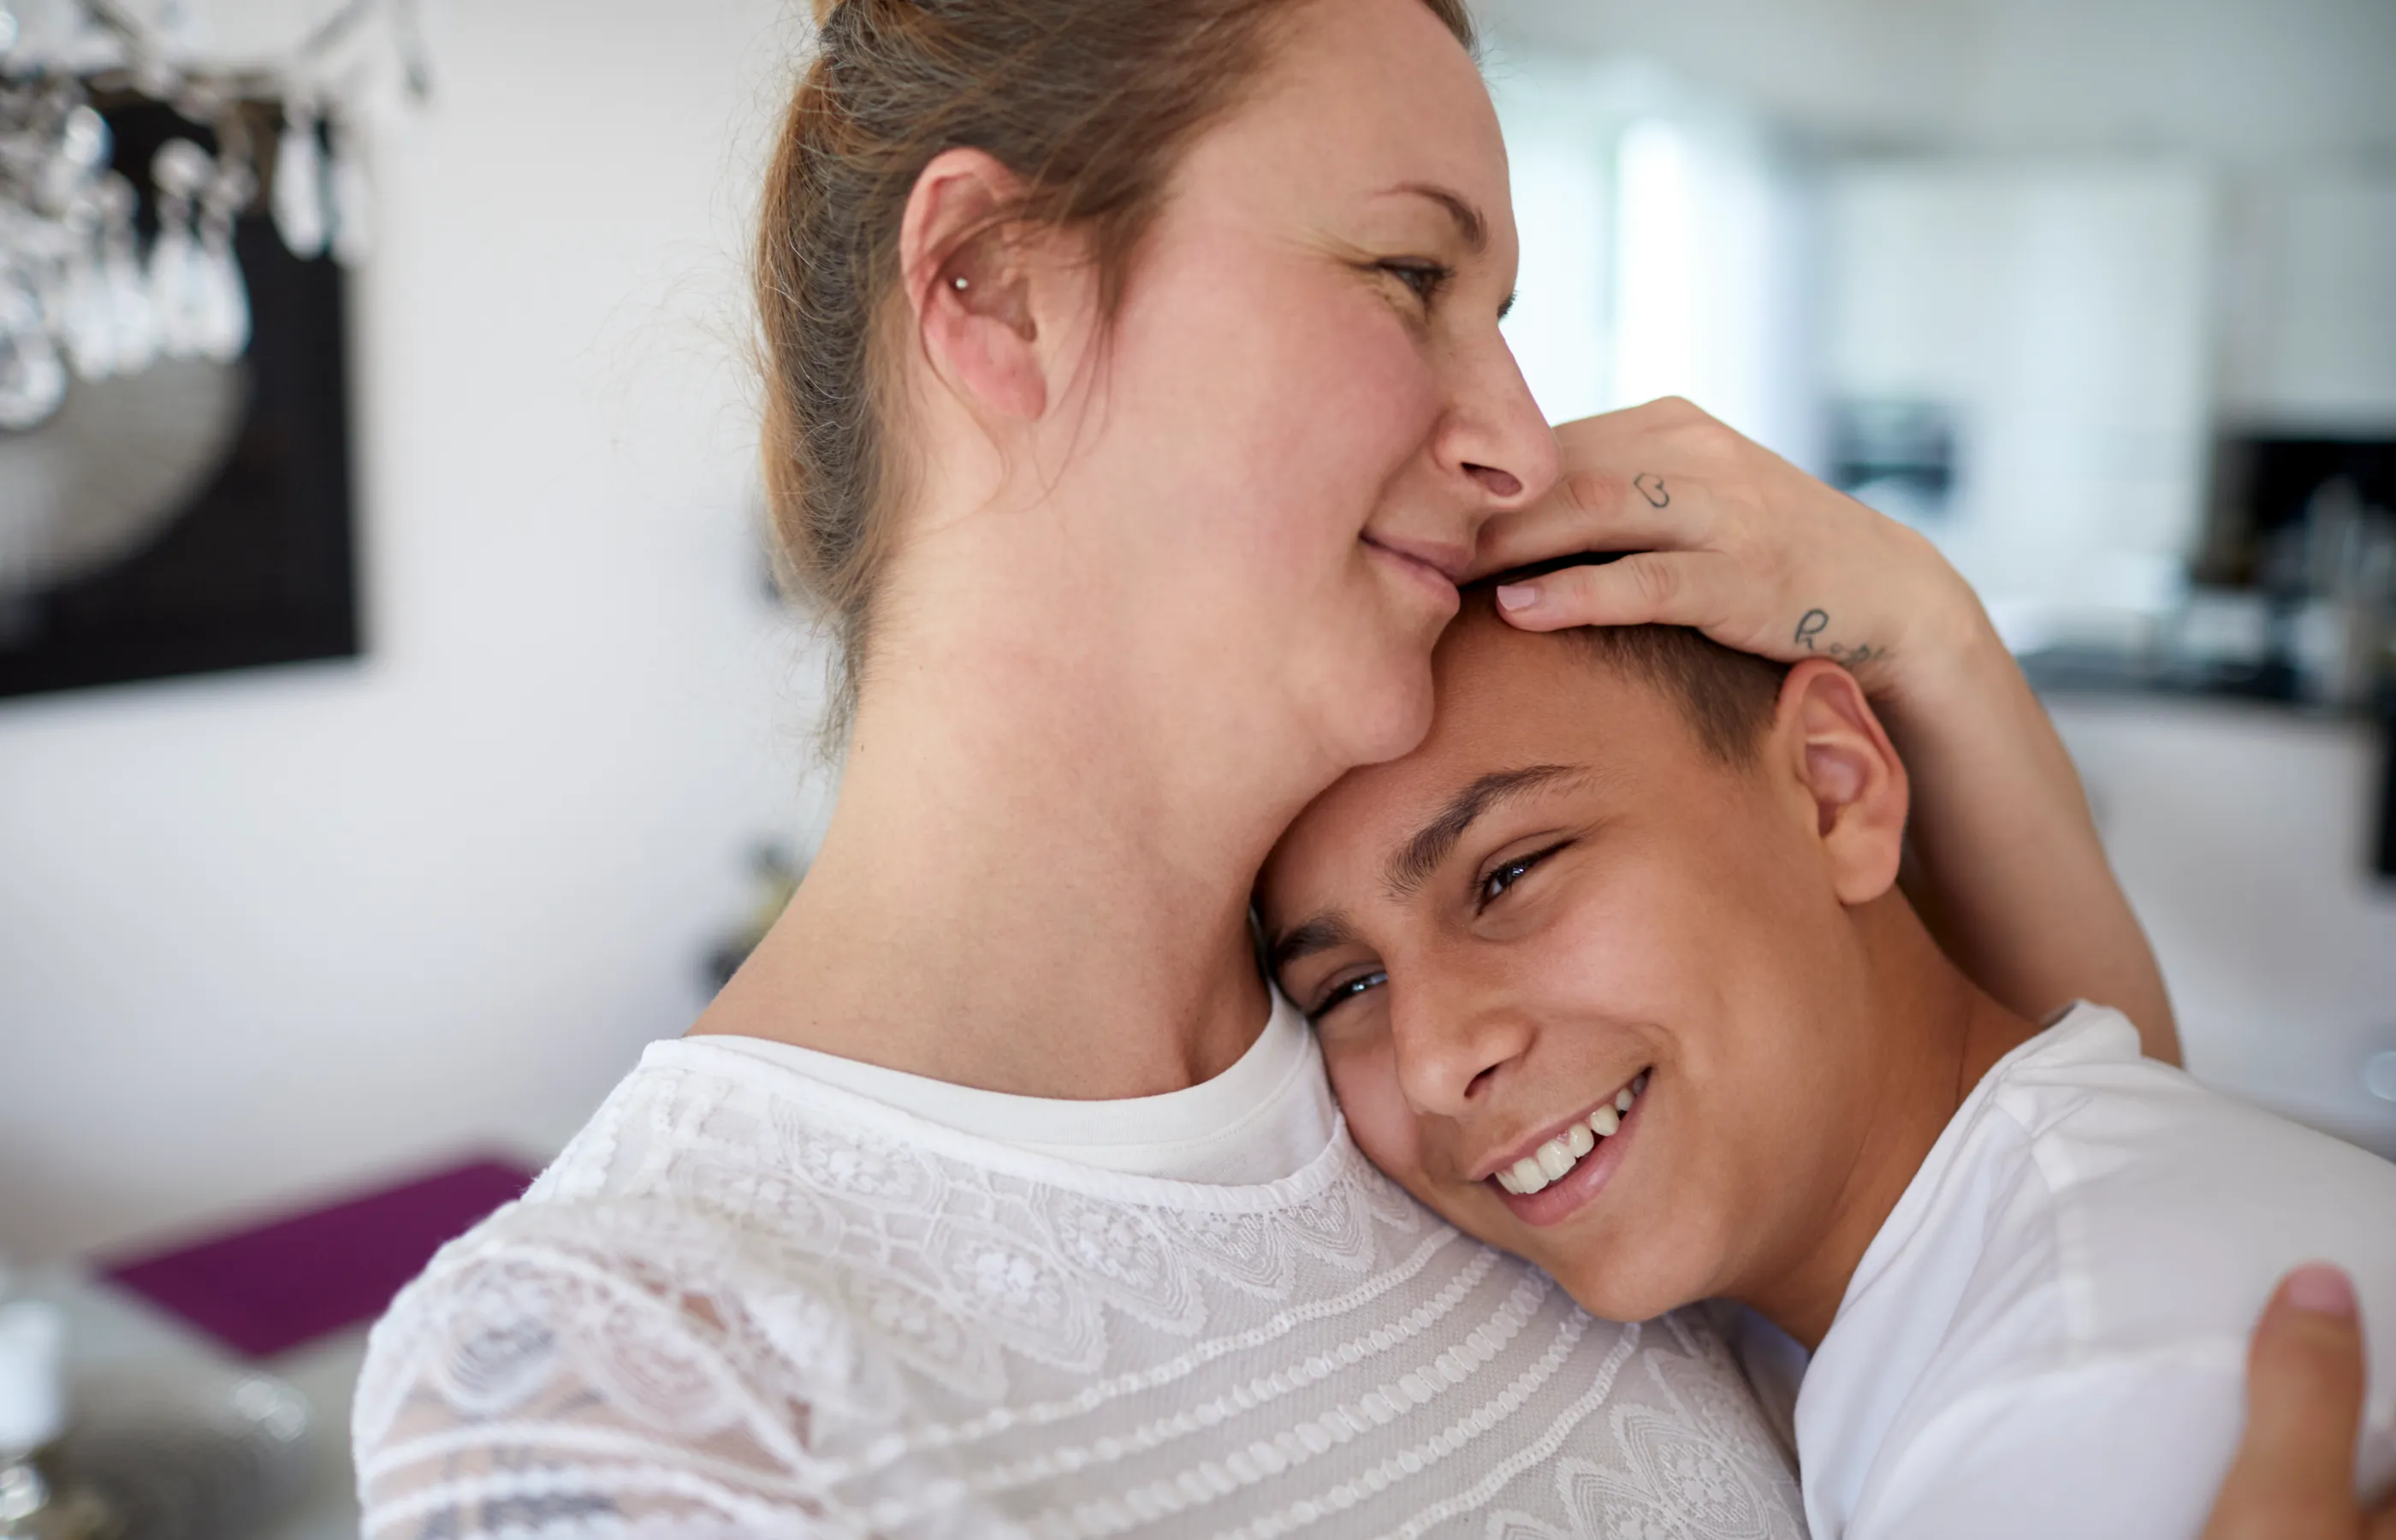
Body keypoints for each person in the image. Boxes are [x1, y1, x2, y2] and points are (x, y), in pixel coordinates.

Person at [347, 0, 2334, 1533]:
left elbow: (2024, 1153)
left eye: (1505, 315)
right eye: (1409, 279)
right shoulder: (630, 1365)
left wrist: (1920, 628)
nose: (1511, 437)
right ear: (992, 287)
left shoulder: (1452, 1083)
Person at [1255, 588, 2396, 1539]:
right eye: (1347, 989)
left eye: (1512, 874)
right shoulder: (1889, 1269)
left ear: (1834, 787)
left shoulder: (2080, 1399)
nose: (1435, 1059)